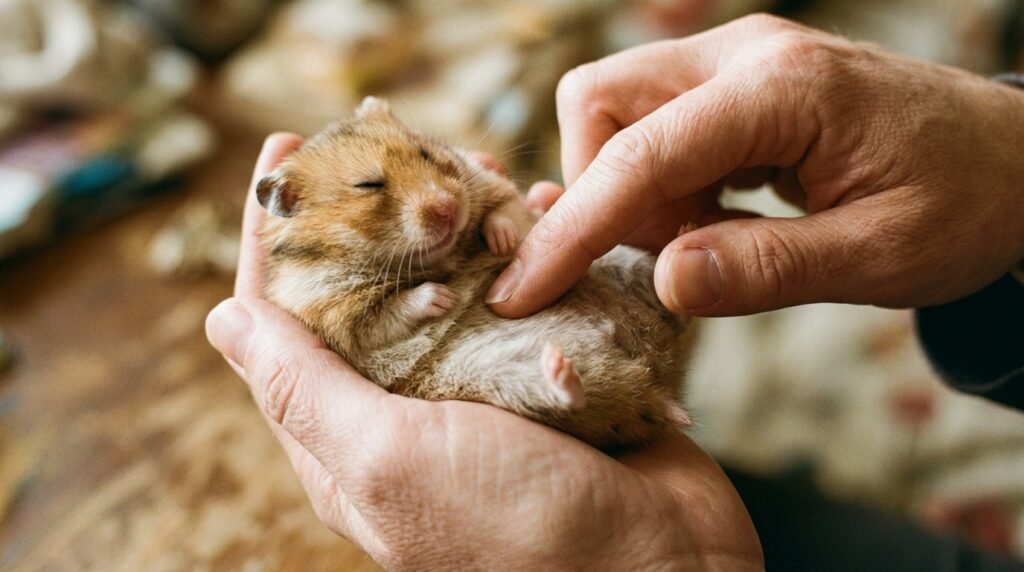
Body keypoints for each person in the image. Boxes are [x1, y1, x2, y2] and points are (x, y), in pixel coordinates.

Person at [207, 14, 1024, 569]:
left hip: (592, 337)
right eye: (372, 190)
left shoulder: (448, 182)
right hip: (514, 354)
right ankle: (589, 396)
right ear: (291, 205)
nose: (435, 193)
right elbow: (356, 335)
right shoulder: (310, 273)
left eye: (425, 154)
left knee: (611, 259)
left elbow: (488, 196)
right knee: (511, 373)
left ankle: (638, 368)